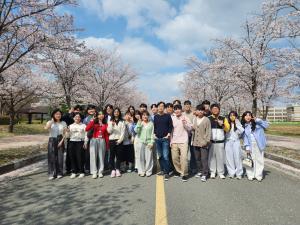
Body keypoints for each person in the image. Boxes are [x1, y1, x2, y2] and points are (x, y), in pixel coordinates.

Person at [241, 111, 269, 181]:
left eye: (249, 115)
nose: (248, 117)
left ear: (252, 117)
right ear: (243, 117)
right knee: (250, 160)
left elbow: (266, 125)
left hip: (259, 144)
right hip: (250, 145)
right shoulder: (244, 126)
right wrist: (247, 147)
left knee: (259, 159)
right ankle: (250, 174)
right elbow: (245, 137)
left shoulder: (257, 124)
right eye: (246, 116)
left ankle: (258, 175)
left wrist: (258, 120)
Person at [208, 103, 230, 179]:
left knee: (220, 157)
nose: (215, 110)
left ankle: (221, 172)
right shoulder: (208, 118)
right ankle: (212, 172)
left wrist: (222, 124)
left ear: (219, 110)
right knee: (212, 157)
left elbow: (227, 129)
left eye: (216, 108)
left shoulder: (223, 118)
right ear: (211, 110)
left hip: (220, 141)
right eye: (213, 108)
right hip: (211, 141)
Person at [170, 104, 192, 182]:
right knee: (174, 158)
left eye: (178, 109)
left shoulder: (185, 117)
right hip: (174, 141)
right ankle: (179, 171)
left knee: (184, 158)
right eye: (175, 109)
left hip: (183, 140)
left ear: (181, 110)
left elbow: (190, 128)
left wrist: (185, 124)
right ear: (174, 111)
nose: (177, 110)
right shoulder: (172, 118)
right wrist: (171, 141)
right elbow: (171, 130)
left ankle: (184, 173)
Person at [86, 110, 109, 179]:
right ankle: (94, 172)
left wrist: (107, 144)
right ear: (97, 115)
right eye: (99, 114)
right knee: (93, 156)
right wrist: (92, 121)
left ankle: (100, 171)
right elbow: (87, 129)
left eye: (102, 114)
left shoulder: (106, 124)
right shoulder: (94, 122)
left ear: (104, 115)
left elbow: (107, 135)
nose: (101, 115)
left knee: (101, 157)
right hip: (94, 140)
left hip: (102, 140)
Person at [45, 109, 67, 180]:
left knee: (60, 157)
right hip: (52, 139)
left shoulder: (63, 123)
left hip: (60, 139)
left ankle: (59, 173)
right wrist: (52, 121)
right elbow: (46, 128)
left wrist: (62, 141)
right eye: (56, 114)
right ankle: (51, 173)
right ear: (53, 115)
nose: (58, 115)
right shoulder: (50, 122)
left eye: (59, 114)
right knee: (51, 156)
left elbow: (65, 133)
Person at [154, 102, 173, 181]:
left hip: (165, 139)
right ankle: (162, 170)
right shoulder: (155, 116)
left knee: (165, 156)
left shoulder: (167, 116)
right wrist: (154, 134)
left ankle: (167, 172)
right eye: (159, 106)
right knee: (160, 155)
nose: (161, 107)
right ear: (157, 107)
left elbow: (170, 126)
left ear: (164, 108)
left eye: (162, 106)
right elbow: (154, 126)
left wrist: (168, 134)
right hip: (157, 139)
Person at [191, 104, 211, 182]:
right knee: (197, 158)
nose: (200, 111)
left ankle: (205, 174)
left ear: (204, 111)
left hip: (203, 142)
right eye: (199, 110)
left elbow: (208, 132)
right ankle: (200, 171)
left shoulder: (206, 120)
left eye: (202, 110)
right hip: (195, 142)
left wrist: (206, 141)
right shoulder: (194, 119)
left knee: (204, 159)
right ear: (196, 111)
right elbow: (193, 130)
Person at [62, 105, 83, 175]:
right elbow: (62, 118)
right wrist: (69, 112)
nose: (77, 111)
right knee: (70, 154)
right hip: (71, 138)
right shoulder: (69, 117)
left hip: (80, 139)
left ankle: (79, 169)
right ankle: (69, 169)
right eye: (76, 110)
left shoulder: (81, 118)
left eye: (79, 110)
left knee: (79, 155)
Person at [134, 111, 154, 177]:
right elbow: (137, 131)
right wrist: (139, 123)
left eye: (146, 115)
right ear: (141, 116)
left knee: (149, 158)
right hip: (140, 142)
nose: (145, 116)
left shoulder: (151, 124)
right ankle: (142, 171)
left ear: (148, 116)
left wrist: (151, 142)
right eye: (143, 115)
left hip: (148, 143)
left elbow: (152, 134)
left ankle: (148, 171)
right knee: (141, 157)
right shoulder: (140, 123)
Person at [225, 111, 244, 179]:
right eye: (231, 115)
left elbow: (242, 131)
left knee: (237, 157)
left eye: (234, 115)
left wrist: (237, 122)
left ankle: (239, 173)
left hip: (236, 142)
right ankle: (231, 172)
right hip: (228, 141)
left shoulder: (238, 123)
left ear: (236, 116)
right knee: (229, 158)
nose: (232, 116)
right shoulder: (227, 123)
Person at [107, 108, 126, 178]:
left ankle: (117, 169)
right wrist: (112, 125)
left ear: (119, 113)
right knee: (111, 156)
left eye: (117, 112)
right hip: (111, 140)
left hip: (119, 140)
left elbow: (123, 132)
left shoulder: (122, 121)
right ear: (113, 113)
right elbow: (109, 131)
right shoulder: (110, 121)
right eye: (115, 112)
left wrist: (119, 141)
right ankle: (112, 170)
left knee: (119, 156)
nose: (116, 113)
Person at [68, 113, 86, 179]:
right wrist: (67, 132)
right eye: (76, 117)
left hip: (80, 142)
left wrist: (85, 143)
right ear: (73, 118)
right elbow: (67, 136)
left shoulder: (83, 125)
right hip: (72, 142)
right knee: (72, 157)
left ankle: (82, 171)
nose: (77, 118)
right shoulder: (70, 126)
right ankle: (74, 172)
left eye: (78, 117)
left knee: (80, 157)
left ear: (80, 118)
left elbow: (86, 135)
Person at [183, 100, 197, 175]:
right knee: (184, 153)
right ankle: (184, 168)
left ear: (190, 106)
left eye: (188, 105)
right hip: (183, 136)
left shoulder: (194, 114)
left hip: (192, 136)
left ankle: (193, 167)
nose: (187, 106)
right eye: (186, 105)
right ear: (184, 106)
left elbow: (195, 125)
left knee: (193, 152)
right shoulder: (182, 114)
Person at [83, 105, 97, 174]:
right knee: (88, 154)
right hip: (89, 138)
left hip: (98, 137)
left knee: (97, 153)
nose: (91, 110)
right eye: (89, 109)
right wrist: (85, 140)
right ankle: (88, 168)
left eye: (92, 109)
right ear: (87, 111)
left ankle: (96, 167)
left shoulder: (98, 117)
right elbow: (85, 130)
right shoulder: (85, 119)